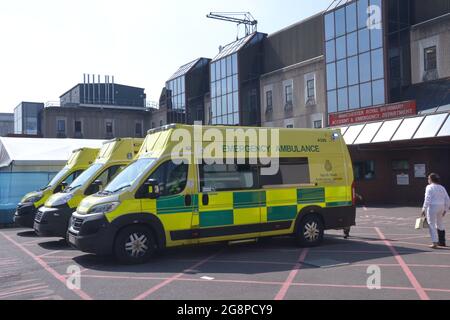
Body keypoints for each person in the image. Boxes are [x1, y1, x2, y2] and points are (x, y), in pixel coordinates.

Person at [422, 173, 450, 249]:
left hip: (433, 206)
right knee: (440, 223)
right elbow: (447, 199)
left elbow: (427, 198)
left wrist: (424, 208)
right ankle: (442, 241)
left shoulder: (429, 187)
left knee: (431, 224)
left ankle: (434, 242)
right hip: (441, 206)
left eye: (428, 178)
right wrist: (446, 209)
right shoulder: (442, 187)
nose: (428, 180)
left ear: (431, 179)